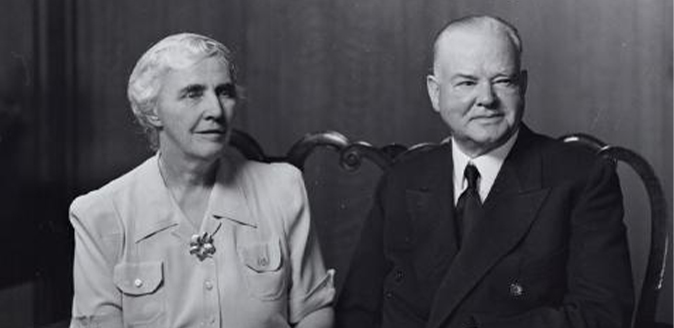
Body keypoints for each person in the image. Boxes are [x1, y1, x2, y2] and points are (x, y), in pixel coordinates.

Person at [336, 15, 633, 328]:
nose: (487, 99)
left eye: (503, 80)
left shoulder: (581, 178)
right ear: (435, 93)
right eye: (467, 82)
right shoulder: (403, 178)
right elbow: (358, 311)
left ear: (524, 86)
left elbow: (603, 317)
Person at [69, 33, 335, 328]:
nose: (216, 111)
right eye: (193, 93)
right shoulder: (101, 213)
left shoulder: (283, 189)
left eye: (224, 92)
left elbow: (314, 310)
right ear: (152, 110)